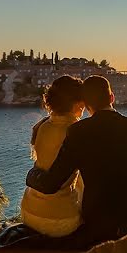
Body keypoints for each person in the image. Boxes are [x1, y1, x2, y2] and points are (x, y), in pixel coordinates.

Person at [25, 75, 127, 244]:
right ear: (112, 98)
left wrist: (31, 175)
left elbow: (53, 182)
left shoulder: (77, 132)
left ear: (86, 105)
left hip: (97, 222)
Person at [19, 76, 85, 237]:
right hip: (60, 221)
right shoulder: (78, 131)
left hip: (28, 212)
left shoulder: (41, 126)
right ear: (78, 103)